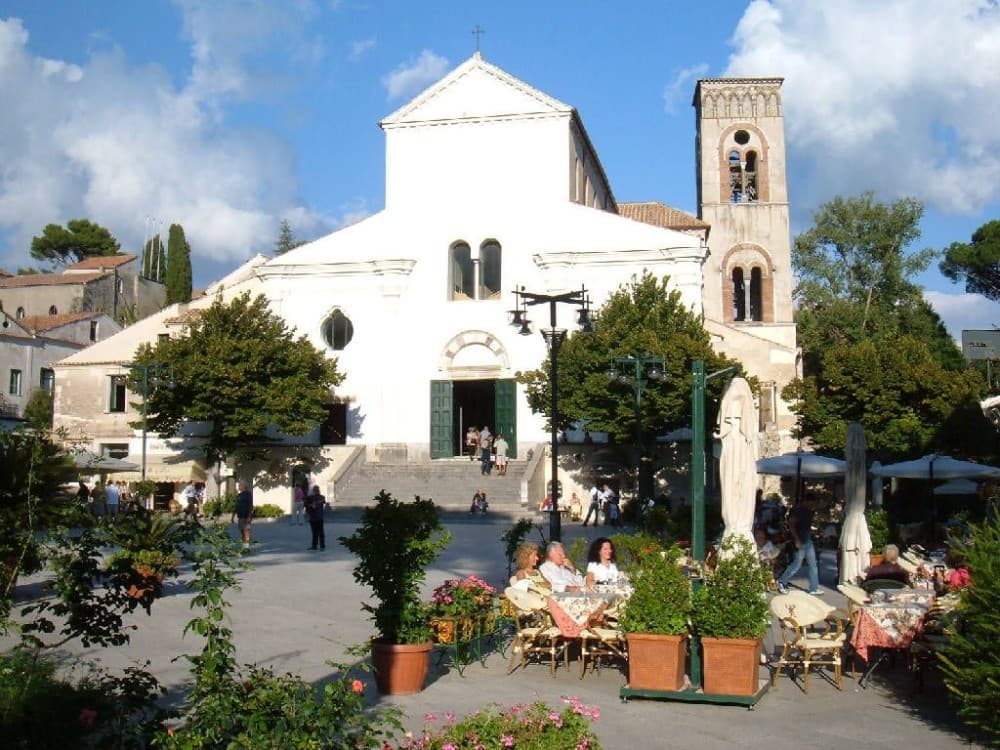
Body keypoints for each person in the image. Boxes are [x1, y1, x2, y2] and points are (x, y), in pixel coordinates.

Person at [776, 493, 820, 595]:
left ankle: (813, 588)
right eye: (811, 503)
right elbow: (791, 524)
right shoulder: (799, 510)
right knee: (797, 564)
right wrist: (796, 539)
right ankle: (781, 581)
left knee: (813, 564)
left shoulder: (809, 511)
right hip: (800, 541)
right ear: (807, 501)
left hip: (807, 540)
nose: (812, 505)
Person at [231, 480, 254, 551]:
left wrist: (249, 516)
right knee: (242, 532)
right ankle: (244, 546)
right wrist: (232, 516)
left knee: (246, 531)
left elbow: (250, 505)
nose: (239, 487)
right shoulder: (239, 495)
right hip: (240, 516)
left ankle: (246, 547)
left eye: (240, 485)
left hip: (246, 516)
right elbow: (236, 506)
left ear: (244, 486)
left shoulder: (248, 494)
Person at [305, 484, 326, 550]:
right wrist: (313, 504)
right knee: (320, 532)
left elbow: (307, 505)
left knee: (315, 533)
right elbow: (322, 502)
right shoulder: (321, 497)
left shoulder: (311, 497)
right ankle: (321, 546)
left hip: (313, 517)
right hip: (318, 517)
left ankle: (315, 546)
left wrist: (312, 504)